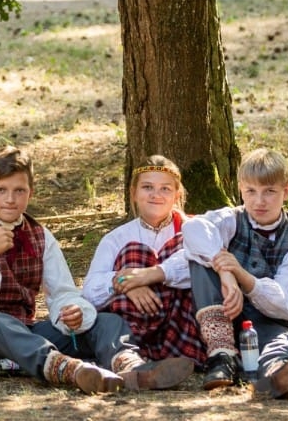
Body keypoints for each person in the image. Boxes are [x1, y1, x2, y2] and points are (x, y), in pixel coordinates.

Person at [0, 145, 194, 394]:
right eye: (1, 190)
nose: (10, 199)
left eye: (19, 191)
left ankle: (131, 368)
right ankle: (68, 370)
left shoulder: (39, 234)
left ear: (30, 193)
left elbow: (63, 291)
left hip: (23, 331)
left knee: (107, 320)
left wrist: (73, 312)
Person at [182, 148, 288, 399]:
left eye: (269, 191)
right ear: (240, 189)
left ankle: (279, 373)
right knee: (201, 258)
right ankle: (222, 357)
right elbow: (193, 227)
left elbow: (285, 305)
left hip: (267, 319)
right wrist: (226, 274)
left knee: (279, 341)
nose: (259, 201)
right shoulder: (231, 220)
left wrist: (241, 275)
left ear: (286, 191)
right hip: (220, 313)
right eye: (251, 191)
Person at [82, 156, 207, 366]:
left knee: (186, 253)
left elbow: (201, 263)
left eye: (165, 189)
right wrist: (124, 283)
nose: (156, 195)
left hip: (180, 327)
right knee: (134, 252)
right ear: (134, 193)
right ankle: (131, 358)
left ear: (177, 195)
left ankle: (176, 357)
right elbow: (89, 291)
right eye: (147, 187)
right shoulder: (116, 238)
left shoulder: (194, 229)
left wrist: (147, 275)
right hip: (133, 325)